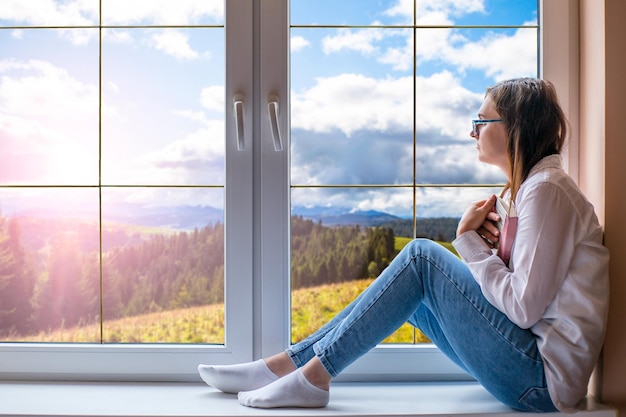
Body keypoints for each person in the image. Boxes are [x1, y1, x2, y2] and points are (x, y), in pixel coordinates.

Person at [197, 78, 610, 413]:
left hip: (540, 382)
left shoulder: (547, 190)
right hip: (529, 371)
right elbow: (523, 297)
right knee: (410, 293)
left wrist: (468, 241)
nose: (472, 131)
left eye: (482, 120)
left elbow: (522, 308)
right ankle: (284, 367)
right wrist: (490, 251)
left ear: (516, 126)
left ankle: (311, 377)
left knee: (420, 257)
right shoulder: (534, 191)